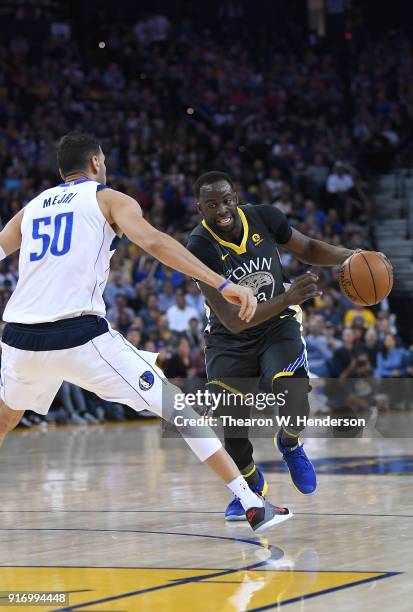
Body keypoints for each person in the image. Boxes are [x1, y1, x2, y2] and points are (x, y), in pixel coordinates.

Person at [0, 132, 291, 533]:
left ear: (60, 170)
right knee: (179, 408)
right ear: (97, 163)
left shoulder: (31, 208)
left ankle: (250, 500)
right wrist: (223, 283)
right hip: (77, 334)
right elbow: (154, 242)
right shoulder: (109, 199)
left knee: (5, 418)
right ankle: (251, 504)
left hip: (19, 338)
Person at [187, 171, 356, 520]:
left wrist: (349, 256)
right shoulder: (199, 247)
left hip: (277, 328)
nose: (221, 209)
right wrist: (289, 296)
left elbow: (307, 247)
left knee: (294, 396)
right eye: (211, 204)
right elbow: (234, 319)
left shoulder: (264, 217)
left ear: (235, 197)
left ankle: (290, 443)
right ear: (200, 208)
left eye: (225, 199)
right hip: (228, 339)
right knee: (231, 427)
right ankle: (251, 491)